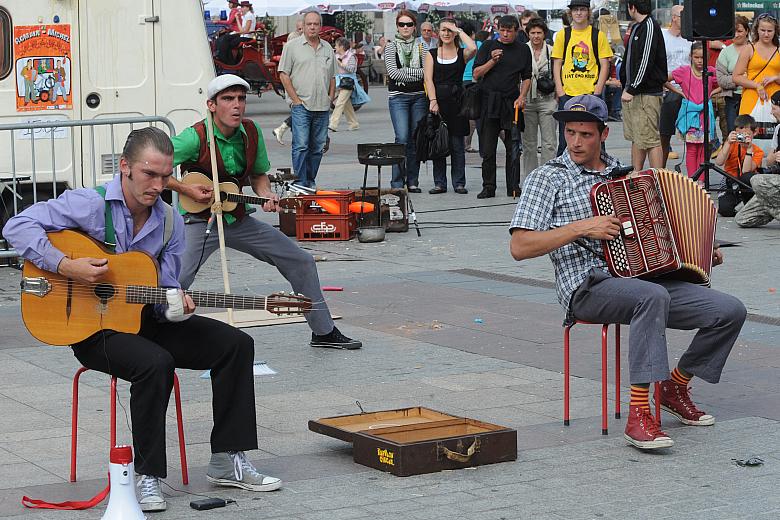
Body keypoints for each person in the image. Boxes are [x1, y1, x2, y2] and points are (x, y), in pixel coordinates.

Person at [2, 127, 284, 512]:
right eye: (149, 174)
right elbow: (15, 226)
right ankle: (147, 475)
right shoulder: (89, 203)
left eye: (165, 176)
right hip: (93, 328)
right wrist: (68, 265)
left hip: (143, 318)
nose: (158, 184)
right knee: (156, 363)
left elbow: (163, 288)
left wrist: (176, 304)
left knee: (236, 345)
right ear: (125, 168)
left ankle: (227, 459)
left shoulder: (170, 221)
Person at [510, 94, 746, 450]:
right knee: (651, 297)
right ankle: (639, 413)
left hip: (644, 279)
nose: (575, 142)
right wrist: (581, 227)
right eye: (570, 132)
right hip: (587, 287)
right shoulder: (547, 178)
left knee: (729, 311)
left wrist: (695, 247)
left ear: (604, 134)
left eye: (585, 134)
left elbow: (660, 229)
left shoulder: (624, 175)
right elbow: (519, 248)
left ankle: (675, 385)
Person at [167, 74, 362, 351]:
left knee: (301, 260)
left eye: (241, 99)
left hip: (238, 217)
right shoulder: (194, 137)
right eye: (228, 99)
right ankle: (156, 331)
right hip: (201, 220)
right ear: (211, 105)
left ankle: (323, 331)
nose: (237, 106)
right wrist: (186, 190)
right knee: (176, 278)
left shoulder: (251, 132)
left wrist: (266, 195)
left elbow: (258, 176)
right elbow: (153, 168)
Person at [472, 15, 532, 199]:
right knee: (488, 149)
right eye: (502, 30)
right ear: (498, 29)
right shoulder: (488, 47)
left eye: (509, 31)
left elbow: (527, 76)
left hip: (511, 102)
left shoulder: (523, 50)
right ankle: (488, 186)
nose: (505, 34)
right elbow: (476, 74)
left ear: (516, 31)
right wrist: (492, 61)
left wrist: (522, 97)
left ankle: (513, 186)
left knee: (513, 147)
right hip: (489, 101)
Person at [278, 11, 336, 188]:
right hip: (302, 104)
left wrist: (330, 98)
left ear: (320, 26)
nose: (312, 27)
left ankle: (309, 181)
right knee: (301, 145)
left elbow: (332, 77)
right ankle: (300, 182)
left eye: (316, 24)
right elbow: (283, 74)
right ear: (303, 26)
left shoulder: (327, 48)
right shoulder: (292, 46)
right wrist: (295, 100)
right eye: (309, 24)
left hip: (322, 106)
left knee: (318, 147)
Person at [551, 0, 613, 156]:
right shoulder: (563, 35)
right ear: (570, 13)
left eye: (582, 9)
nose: (578, 13)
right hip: (569, 93)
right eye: (575, 10)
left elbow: (605, 64)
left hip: (591, 93)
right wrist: (560, 91)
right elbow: (557, 63)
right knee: (565, 141)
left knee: (596, 139)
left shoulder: (597, 35)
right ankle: (564, 177)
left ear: (588, 12)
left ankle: (599, 175)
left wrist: (598, 90)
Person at [424, 18, 477, 194]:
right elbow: (428, 79)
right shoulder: (431, 53)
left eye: (449, 30)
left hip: (458, 103)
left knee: (457, 145)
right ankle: (439, 183)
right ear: (438, 33)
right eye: (443, 30)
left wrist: (458, 29)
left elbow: (473, 48)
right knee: (438, 143)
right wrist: (433, 101)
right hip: (437, 103)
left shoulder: (462, 52)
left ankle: (459, 182)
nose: (446, 34)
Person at [620, 0, 667, 171]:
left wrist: (632, 88)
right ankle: (636, 173)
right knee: (638, 137)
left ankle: (657, 178)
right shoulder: (638, 26)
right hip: (635, 92)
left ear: (632, 7)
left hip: (646, 93)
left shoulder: (649, 26)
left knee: (651, 139)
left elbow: (646, 60)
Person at [384, 10, 427, 192]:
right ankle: (397, 182)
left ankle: (413, 180)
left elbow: (426, 72)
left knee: (415, 139)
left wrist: (407, 74)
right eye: (402, 24)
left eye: (409, 24)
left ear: (414, 26)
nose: (405, 28)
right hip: (398, 98)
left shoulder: (421, 47)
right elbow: (393, 73)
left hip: (419, 97)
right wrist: (415, 74)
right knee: (402, 138)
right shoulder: (391, 47)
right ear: (397, 27)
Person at [666, 42, 720, 178]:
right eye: (696, 57)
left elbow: (724, 83)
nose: (700, 61)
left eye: (702, 57)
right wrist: (677, 91)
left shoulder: (711, 71)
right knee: (691, 149)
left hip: (705, 115)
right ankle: (692, 178)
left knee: (703, 149)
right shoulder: (683, 71)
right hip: (690, 115)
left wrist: (712, 93)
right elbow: (663, 79)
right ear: (690, 56)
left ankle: (701, 180)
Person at [733, 12, 780, 150]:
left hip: (775, 100)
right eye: (763, 30)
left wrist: (776, 77)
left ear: (775, 31)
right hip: (751, 97)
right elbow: (736, 76)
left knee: (774, 139)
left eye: (770, 31)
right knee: (746, 137)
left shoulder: (778, 50)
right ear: (756, 30)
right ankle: (746, 169)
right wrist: (756, 85)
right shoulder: (749, 48)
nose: (766, 34)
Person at [735, 92, 780, 227]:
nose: (771, 113)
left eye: (773, 108)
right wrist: (773, 156)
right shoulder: (778, 128)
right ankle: (774, 206)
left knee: (756, 180)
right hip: (776, 180)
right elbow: (770, 162)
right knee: (742, 218)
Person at [522, 17, 557, 179]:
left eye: (539, 33)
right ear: (527, 34)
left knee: (549, 143)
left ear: (544, 34)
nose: (536, 36)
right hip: (527, 99)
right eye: (533, 33)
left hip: (547, 98)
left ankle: (548, 175)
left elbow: (558, 73)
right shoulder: (522, 50)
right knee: (529, 143)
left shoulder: (552, 50)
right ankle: (530, 177)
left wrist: (557, 97)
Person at [714, 114, 764, 216]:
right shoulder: (732, 145)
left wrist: (749, 149)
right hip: (730, 180)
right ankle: (739, 204)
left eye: (747, 135)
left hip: (747, 183)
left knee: (746, 177)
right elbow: (719, 162)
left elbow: (746, 172)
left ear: (754, 133)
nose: (743, 138)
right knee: (725, 210)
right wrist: (728, 143)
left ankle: (746, 204)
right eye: (740, 135)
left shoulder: (758, 151)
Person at [660, 5, 691, 166]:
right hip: (668, 88)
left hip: (688, 91)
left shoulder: (690, 38)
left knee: (695, 135)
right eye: (682, 16)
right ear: (673, 18)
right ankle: (660, 171)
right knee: (663, 135)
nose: (686, 20)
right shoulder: (663, 36)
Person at [272, 18, 306, 145]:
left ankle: (287, 133)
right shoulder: (294, 44)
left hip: (299, 89)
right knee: (302, 112)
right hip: (296, 88)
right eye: (300, 28)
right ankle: (283, 129)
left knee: (301, 114)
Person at [717, 16, 750, 134]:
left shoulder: (754, 49)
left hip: (752, 96)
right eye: (733, 31)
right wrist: (740, 80)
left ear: (747, 31)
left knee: (750, 131)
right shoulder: (725, 52)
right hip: (732, 99)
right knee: (733, 131)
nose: (736, 35)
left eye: (740, 31)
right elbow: (720, 79)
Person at [464, 30, 490, 153]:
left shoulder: (460, 44)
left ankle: (467, 143)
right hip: (475, 81)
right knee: (477, 115)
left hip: (462, 80)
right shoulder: (479, 45)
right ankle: (483, 146)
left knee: (469, 114)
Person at [329, 37, 362, 132]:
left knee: (339, 103)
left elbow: (352, 69)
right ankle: (353, 123)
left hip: (348, 82)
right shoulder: (335, 55)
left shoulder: (351, 56)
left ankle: (333, 123)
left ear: (342, 47)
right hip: (338, 82)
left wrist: (340, 64)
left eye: (336, 45)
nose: (335, 47)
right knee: (346, 104)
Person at [215, 0, 243, 64]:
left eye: (230, 3)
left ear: (233, 4)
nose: (228, 4)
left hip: (236, 32)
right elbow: (233, 24)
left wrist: (218, 21)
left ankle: (222, 57)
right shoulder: (238, 10)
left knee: (220, 40)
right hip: (236, 31)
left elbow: (229, 22)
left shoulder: (234, 11)